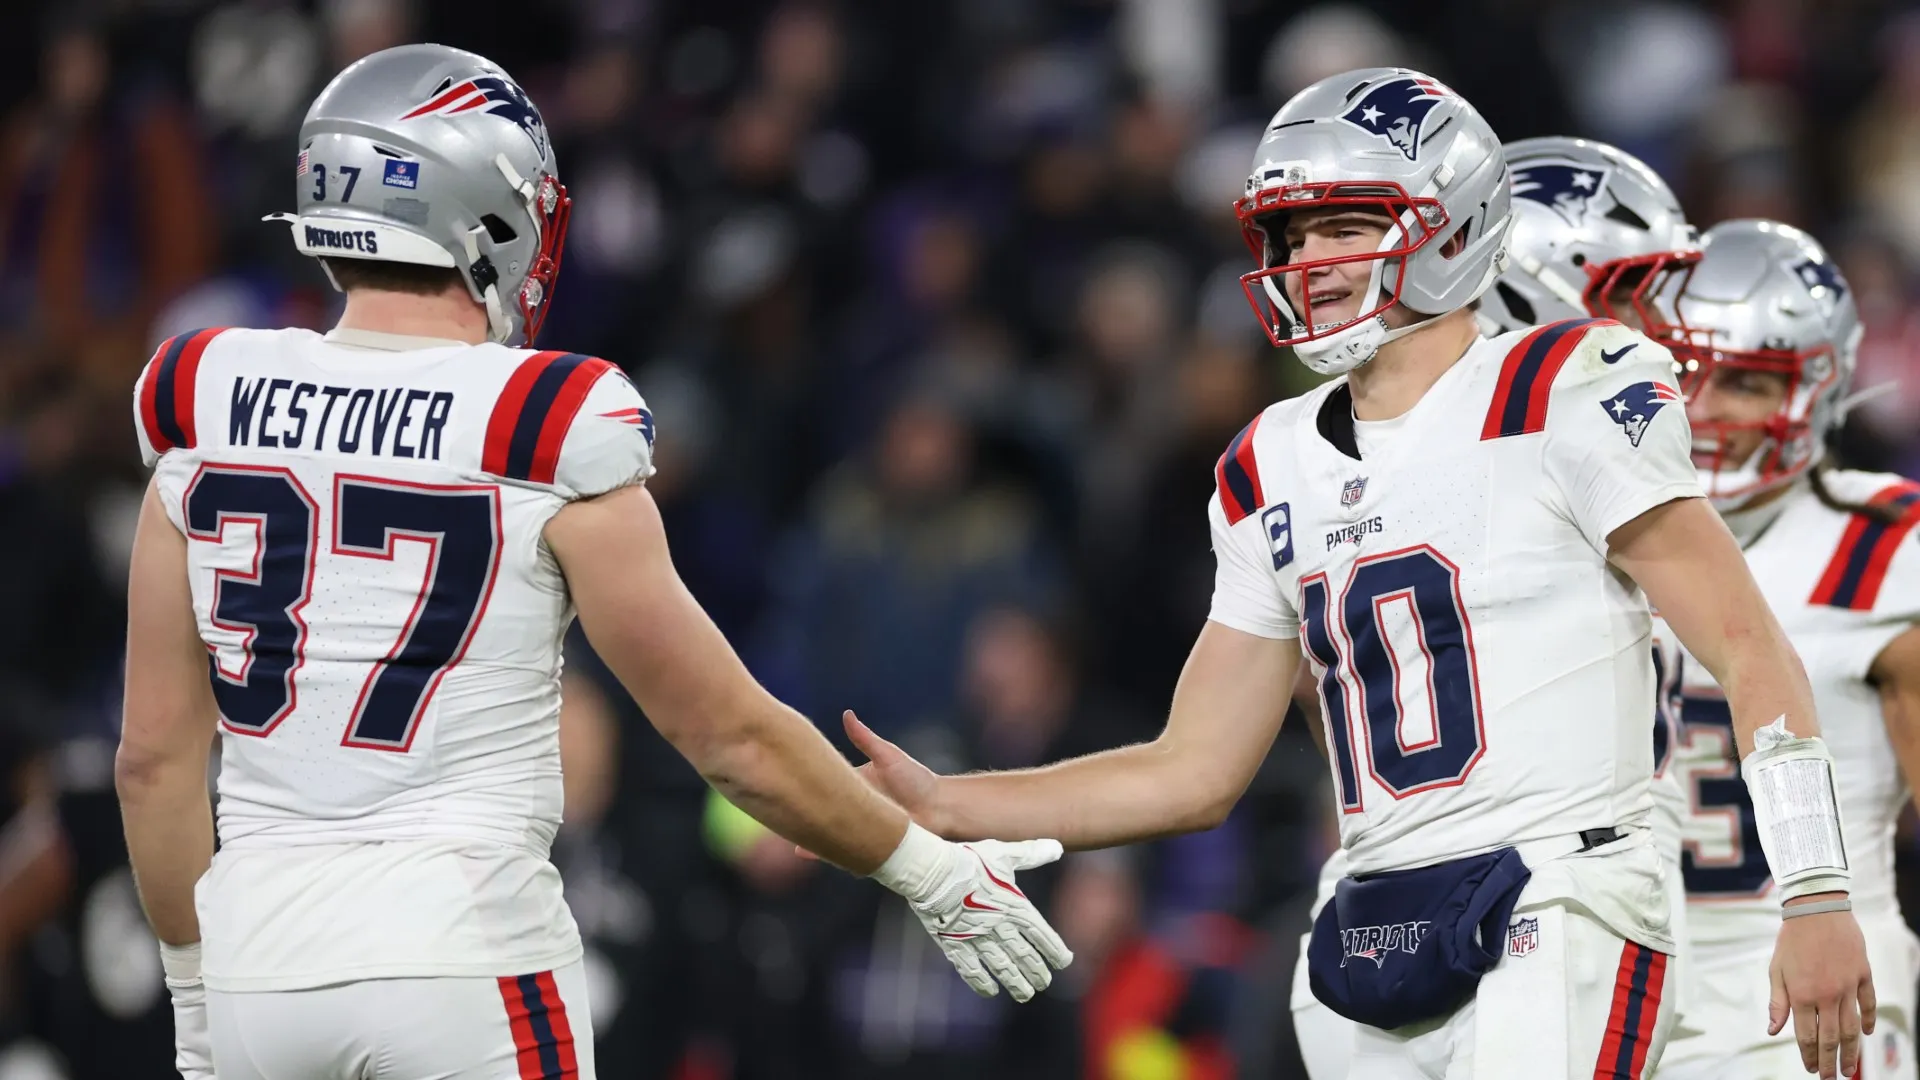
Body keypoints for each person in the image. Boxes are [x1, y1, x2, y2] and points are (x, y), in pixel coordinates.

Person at [821, 68, 1875, 1080]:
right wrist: (955, 805)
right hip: (1369, 920)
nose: (1309, 260)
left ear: (1450, 226)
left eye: (1342, 225)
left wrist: (1817, 889)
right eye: (1290, 233)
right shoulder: (1265, 461)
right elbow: (1191, 770)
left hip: (1560, 896)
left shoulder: (1565, 384)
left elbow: (1745, 644)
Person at [114, 44, 1070, 1080]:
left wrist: (200, 996)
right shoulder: (546, 417)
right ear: (483, 213)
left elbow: (154, 762)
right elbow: (727, 736)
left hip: (260, 963)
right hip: (461, 958)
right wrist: (924, 869)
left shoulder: (202, 391)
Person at [1282, 134, 1710, 1079]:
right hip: (1523, 912)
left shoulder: (1615, 446)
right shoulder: (1537, 437)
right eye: (1628, 298)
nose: (1662, 334)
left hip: (1617, 919)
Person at [1653, 220, 1920, 1080]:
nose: (1702, 409)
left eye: (1745, 383)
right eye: (1682, 371)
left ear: (1818, 388)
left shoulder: (1881, 547)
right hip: (1618, 967)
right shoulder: (1583, 529)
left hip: (1816, 974)